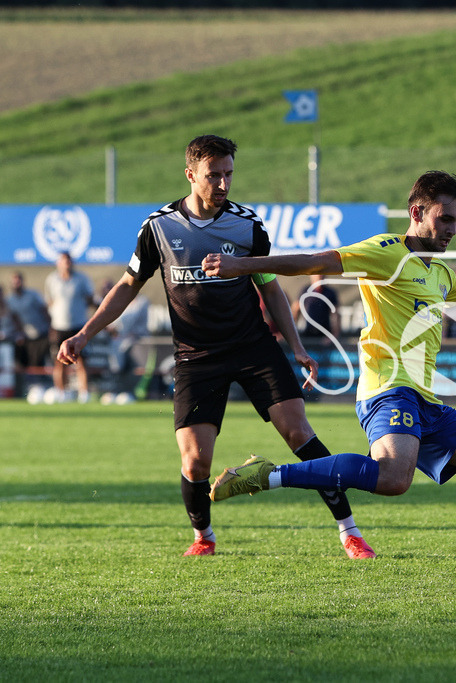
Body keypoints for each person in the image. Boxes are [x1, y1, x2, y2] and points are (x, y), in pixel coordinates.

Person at [202, 170, 456, 590]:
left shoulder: (436, 271)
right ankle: (267, 475)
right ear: (417, 211)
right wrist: (243, 265)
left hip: (423, 400)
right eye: (445, 219)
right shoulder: (387, 252)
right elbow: (318, 261)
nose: (452, 229)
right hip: (388, 391)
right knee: (393, 478)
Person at [57, 134, 373, 559]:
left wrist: (295, 345)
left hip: (253, 348)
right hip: (195, 357)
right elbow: (127, 286)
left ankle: (349, 532)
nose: (223, 183)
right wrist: (83, 333)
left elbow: (271, 289)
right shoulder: (159, 228)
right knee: (195, 464)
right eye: (213, 175)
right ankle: (203, 537)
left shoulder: (247, 225)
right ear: (190, 175)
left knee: (300, 433)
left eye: (228, 174)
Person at [45, 252, 96, 403]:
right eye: (63, 261)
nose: (67, 263)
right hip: (59, 326)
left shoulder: (81, 279)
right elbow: (50, 302)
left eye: (69, 260)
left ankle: (84, 394)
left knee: (81, 361)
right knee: (59, 361)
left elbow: (90, 299)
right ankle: (61, 393)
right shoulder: (52, 280)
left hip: (78, 326)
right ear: (58, 263)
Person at [8, 272, 51, 371]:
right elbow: (15, 318)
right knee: (30, 361)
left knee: (42, 359)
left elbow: (44, 311)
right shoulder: (10, 300)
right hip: (27, 336)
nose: (17, 284)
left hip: (42, 332)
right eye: (14, 282)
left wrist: (51, 327)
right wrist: (20, 332)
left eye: (19, 281)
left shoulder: (33, 295)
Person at [292, 273, 342, 345]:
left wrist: (333, 336)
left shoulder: (330, 293)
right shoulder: (305, 291)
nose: (319, 277)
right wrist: (292, 334)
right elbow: (295, 311)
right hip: (308, 335)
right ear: (311, 276)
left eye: (321, 274)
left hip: (325, 336)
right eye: (316, 274)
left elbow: (336, 316)